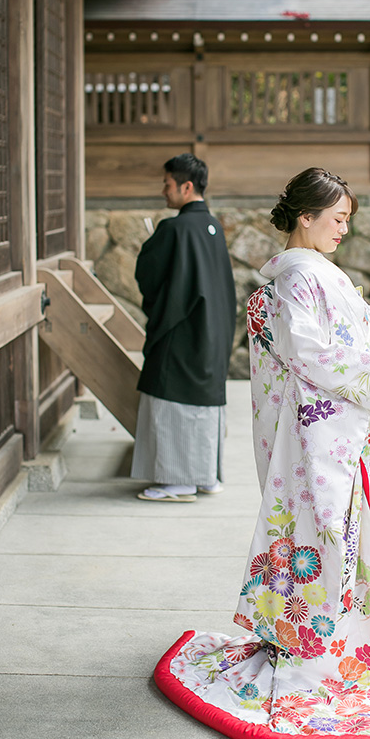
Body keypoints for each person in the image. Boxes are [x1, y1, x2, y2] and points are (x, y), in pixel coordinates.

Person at [153, 167, 370, 739]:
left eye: (348, 220)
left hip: (325, 427)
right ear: (306, 217)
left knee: (335, 535)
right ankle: (308, 657)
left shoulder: (308, 275)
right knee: (321, 535)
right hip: (314, 436)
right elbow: (309, 351)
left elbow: (334, 346)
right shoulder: (298, 278)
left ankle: (331, 644)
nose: (343, 231)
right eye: (337, 219)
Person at [131, 153, 236, 502]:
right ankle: (206, 476)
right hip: (212, 329)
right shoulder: (213, 227)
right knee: (203, 403)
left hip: (183, 331)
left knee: (172, 398)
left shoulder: (175, 229)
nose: (164, 191)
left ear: (185, 186)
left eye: (167, 184)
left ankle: (178, 481)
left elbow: (150, 274)